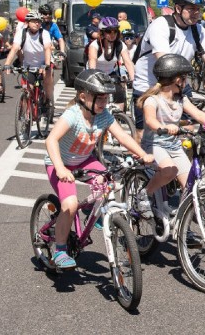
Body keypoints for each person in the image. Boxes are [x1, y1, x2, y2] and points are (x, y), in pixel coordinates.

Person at [43, 69, 153, 270]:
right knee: (69, 204)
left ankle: (93, 213)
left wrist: (142, 154)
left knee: (108, 182)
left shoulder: (103, 116)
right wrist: (59, 168)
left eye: (106, 98)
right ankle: (60, 250)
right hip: (60, 163)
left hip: (84, 160)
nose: (104, 102)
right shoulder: (73, 115)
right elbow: (51, 140)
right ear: (83, 96)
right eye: (99, 98)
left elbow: (123, 137)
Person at [131, 0, 205, 138]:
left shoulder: (198, 30)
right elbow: (164, 63)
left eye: (198, 9)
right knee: (145, 134)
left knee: (188, 130)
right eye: (191, 9)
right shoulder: (161, 25)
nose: (196, 13)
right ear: (178, 8)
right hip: (149, 85)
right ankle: (140, 159)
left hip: (179, 83)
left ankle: (186, 160)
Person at [138, 54, 205, 215]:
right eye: (184, 78)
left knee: (190, 183)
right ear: (176, 80)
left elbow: (199, 114)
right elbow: (150, 121)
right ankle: (145, 194)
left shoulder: (181, 99)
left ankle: (182, 225)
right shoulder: (152, 100)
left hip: (173, 145)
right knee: (169, 171)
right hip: (153, 145)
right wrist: (164, 127)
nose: (186, 82)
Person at [3, 11, 54, 112]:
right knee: (27, 88)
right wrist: (7, 64)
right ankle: (26, 116)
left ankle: (48, 100)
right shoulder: (21, 33)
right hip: (29, 65)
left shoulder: (44, 33)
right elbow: (14, 49)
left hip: (43, 63)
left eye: (39, 21)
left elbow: (47, 48)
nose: (37, 23)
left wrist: (46, 65)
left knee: (47, 75)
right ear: (27, 23)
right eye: (34, 21)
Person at [87, 17, 134, 111]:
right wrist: (94, 79)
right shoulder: (94, 45)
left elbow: (128, 62)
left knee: (120, 94)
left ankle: (118, 116)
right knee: (95, 100)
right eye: (109, 31)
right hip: (95, 73)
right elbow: (92, 62)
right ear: (102, 33)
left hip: (110, 73)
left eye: (115, 31)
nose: (112, 34)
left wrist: (133, 78)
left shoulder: (120, 45)